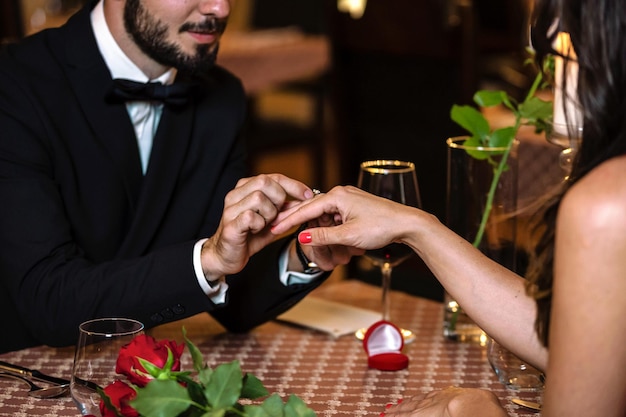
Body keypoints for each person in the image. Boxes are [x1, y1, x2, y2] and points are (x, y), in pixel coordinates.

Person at [272, 0, 626, 415]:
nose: (546, 41)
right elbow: (578, 342)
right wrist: (415, 226)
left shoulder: (607, 205)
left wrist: (478, 411)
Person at [0, 0, 355, 354]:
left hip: (147, 380)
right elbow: (49, 303)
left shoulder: (221, 96)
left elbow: (226, 296)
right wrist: (209, 258)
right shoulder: (14, 83)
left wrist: (304, 254)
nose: (219, 8)